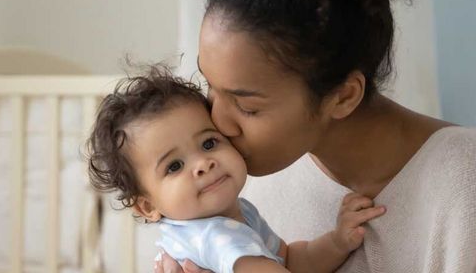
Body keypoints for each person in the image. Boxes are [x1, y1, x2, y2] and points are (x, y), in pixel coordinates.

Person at [157, 0, 476, 272]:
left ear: (343, 96)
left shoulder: (474, 184)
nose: (218, 124)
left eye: (247, 106)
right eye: (210, 87)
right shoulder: (239, 185)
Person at [86, 66, 386, 273]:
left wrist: (336, 241)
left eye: (208, 143)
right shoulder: (215, 236)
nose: (203, 164)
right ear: (148, 205)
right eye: (174, 166)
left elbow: (291, 260)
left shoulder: (239, 214)